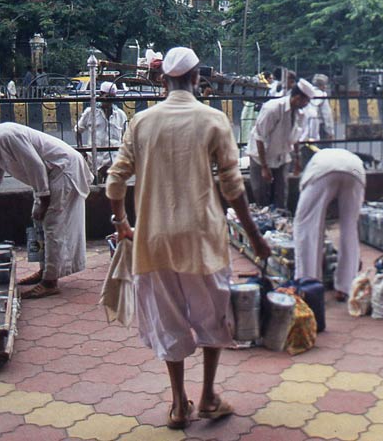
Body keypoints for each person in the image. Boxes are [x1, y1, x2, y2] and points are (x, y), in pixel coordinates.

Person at [105, 47, 271, 430]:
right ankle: (210, 396)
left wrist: (122, 222)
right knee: (214, 315)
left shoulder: (142, 122)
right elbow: (233, 187)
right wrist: (254, 235)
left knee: (169, 320)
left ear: (164, 80)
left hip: (154, 239)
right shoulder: (214, 119)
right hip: (202, 240)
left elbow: (115, 181)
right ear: (198, 79)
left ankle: (179, 404)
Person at [0, 110, 92, 299]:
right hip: (48, 177)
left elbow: (36, 165)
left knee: (52, 224)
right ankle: (45, 271)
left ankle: (50, 282)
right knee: (39, 223)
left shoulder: (6, 135)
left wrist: (44, 200)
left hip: (62, 170)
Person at [293, 148, 365, 302]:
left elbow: (311, 220)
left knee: (305, 225)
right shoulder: (338, 155)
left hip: (324, 171)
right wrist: (356, 257)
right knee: (350, 228)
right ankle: (346, 286)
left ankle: (308, 283)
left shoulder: (311, 171)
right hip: (356, 170)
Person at [246, 78, 316, 208]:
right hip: (261, 157)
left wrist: (297, 160)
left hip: (282, 157)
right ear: (297, 97)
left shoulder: (301, 114)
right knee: (261, 195)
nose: (307, 104)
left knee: (281, 195)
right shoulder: (272, 109)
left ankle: (280, 222)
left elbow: (295, 137)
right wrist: (264, 167)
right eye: (306, 101)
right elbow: (259, 137)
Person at [76, 81, 127, 178]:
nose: (109, 101)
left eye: (112, 98)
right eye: (107, 97)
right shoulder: (91, 112)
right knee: (95, 187)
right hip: (95, 160)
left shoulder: (120, 114)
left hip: (114, 160)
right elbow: (78, 130)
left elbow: (125, 137)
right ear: (101, 95)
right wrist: (81, 149)